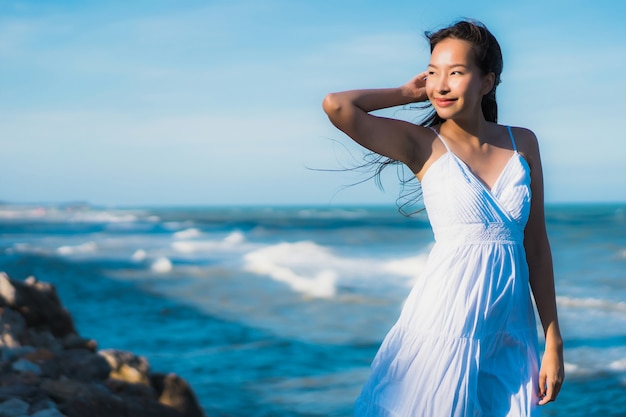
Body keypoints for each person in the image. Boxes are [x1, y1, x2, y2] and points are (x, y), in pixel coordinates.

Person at [322, 20, 564, 416]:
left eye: (456, 72)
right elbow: (337, 105)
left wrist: (552, 341)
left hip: (510, 331)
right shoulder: (423, 144)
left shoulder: (524, 142)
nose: (441, 85)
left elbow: (535, 246)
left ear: (487, 82)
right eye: (434, 72)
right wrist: (406, 92)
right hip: (444, 325)